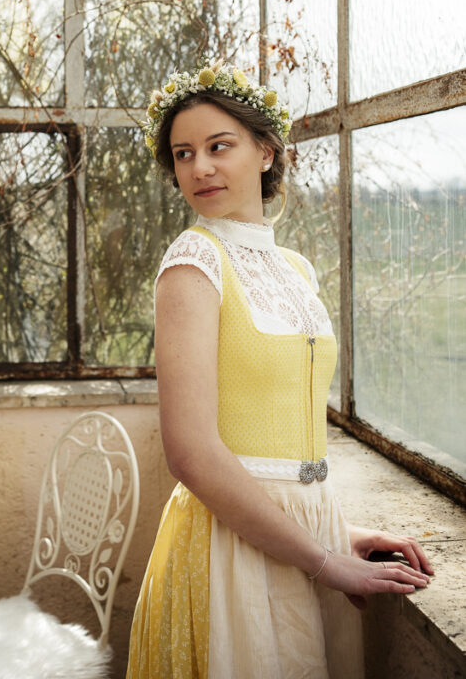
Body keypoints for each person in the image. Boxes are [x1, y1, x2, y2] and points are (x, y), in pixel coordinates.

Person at [126, 61, 433, 679]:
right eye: (183, 155)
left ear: (266, 151)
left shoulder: (294, 268)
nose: (200, 167)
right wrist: (327, 561)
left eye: (219, 146)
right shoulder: (193, 262)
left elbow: (283, 433)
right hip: (228, 552)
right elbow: (192, 453)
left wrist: (339, 533)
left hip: (303, 538)